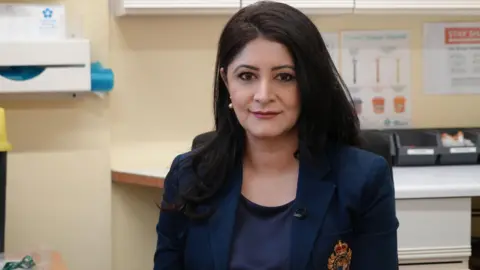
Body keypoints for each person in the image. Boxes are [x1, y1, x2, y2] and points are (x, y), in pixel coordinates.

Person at [154, 1, 399, 269]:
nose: (263, 95)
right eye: (246, 76)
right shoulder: (188, 175)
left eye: (284, 77)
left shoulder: (363, 179)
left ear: (309, 83)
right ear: (227, 82)